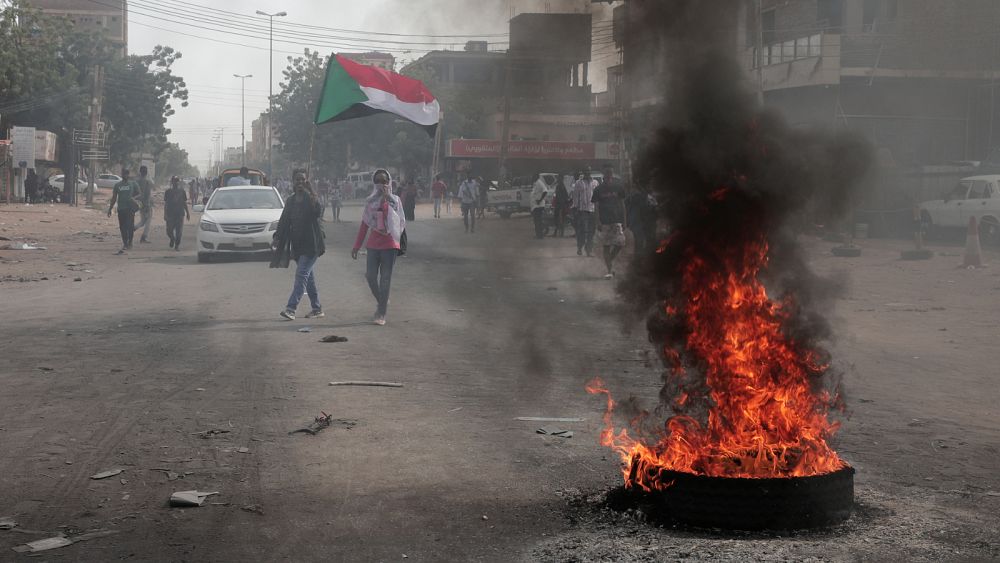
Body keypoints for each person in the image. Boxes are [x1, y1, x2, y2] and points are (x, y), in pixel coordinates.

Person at [352, 169, 405, 326]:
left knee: (385, 279)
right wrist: (356, 246)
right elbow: (364, 225)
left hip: (390, 245)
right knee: (370, 276)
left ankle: (381, 313)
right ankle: (382, 300)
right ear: (373, 183)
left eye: (384, 181)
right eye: (378, 181)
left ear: (389, 182)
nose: (381, 184)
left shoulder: (395, 200)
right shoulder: (370, 202)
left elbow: (400, 221)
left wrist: (387, 199)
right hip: (373, 245)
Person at [271, 172, 326, 321]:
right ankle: (317, 308)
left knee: (301, 275)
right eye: (297, 180)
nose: (300, 182)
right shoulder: (290, 201)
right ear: (293, 182)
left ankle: (291, 308)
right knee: (308, 278)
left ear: (306, 181)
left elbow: (317, 212)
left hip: (312, 245)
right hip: (298, 245)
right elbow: (284, 221)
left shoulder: (310, 199)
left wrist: (312, 191)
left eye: (303, 179)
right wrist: (277, 237)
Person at [592, 165, 628, 279]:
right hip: (605, 222)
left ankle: (610, 260)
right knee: (606, 246)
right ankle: (609, 270)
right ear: (604, 174)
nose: (608, 175)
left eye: (610, 173)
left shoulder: (619, 187)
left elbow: (623, 205)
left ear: (612, 174)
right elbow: (596, 207)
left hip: (617, 220)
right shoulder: (598, 189)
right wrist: (597, 221)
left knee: (620, 243)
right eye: (606, 173)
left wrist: (624, 220)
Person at [107, 168, 140, 254]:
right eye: (124, 174)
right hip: (121, 209)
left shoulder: (133, 184)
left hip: (130, 208)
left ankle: (130, 242)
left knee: (130, 226)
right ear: (122, 175)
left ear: (128, 175)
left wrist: (134, 198)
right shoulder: (117, 185)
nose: (125, 175)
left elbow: (140, 193)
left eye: (127, 174)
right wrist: (110, 209)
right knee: (122, 227)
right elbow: (114, 198)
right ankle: (125, 243)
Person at [570, 169, 597, 256]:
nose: (588, 173)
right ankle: (579, 247)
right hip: (582, 211)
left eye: (589, 171)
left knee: (591, 232)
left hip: (592, 210)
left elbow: (597, 197)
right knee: (581, 231)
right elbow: (575, 197)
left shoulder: (595, 183)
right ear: (583, 173)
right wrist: (575, 209)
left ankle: (589, 250)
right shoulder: (579, 183)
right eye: (586, 172)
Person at [626, 183, 658, 256]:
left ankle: (643, 258)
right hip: (638, 223)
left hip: (646, 223)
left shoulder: (650, 198)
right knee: (640, 241)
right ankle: (639, 259)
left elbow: (655, 211)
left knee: (645, 241)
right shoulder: (633, 198)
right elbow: (628, 209)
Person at [164, 176, 190, 251]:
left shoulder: (182, 191)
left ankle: (177, 245)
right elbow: (166, 204)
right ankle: (172, 239)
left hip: (180, 214)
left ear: (179, 182)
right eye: (174, 181)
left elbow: (184, 203)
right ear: (172, 182)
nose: (176, 182)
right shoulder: (168, 192)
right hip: (170, 214)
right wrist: (165, 214)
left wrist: (188, 213)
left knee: (179, 232)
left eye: (177, 181)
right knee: (169, 231)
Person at [132, 165, 155, 243]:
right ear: (146, 172)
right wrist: (147, 205)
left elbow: (133, 193)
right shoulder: (147, 182)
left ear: (140, 172)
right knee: (148, 221)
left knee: (143, 221)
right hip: (146, 204)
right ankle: (144, 237)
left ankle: (133, 228)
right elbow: (147, 194)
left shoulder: (136, 181)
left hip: (139, 204)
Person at [530, 173, 549, 239]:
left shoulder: (539, 183)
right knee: (536, 221)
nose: (532, 178)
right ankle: (538, 235)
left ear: (536, 177)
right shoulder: (535, 184)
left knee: (538, 221)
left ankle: (540, 235)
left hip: (538, 206)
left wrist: (540, 200)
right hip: (535, 206)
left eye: (533, 176)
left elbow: (545, 191)